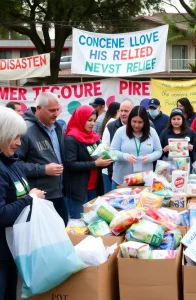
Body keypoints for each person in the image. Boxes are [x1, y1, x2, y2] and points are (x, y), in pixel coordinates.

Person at [0, 106, 45, 300]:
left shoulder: (12, 162)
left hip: (13, 250)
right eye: (14, 137)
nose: (19, 143)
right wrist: (30, 199)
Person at [16, 92, 69, 226]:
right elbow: (16, 165)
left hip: (59, 192)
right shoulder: (25, 130)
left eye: (58, 110)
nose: (56, 114)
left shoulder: (58, 127)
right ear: (38, 108)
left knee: (63, 227)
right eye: (52, 110)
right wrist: (43, 169)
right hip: (39, 196)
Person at [64, 105, 113, 218]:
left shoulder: (94, 138)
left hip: (94, 187)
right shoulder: (71, 139)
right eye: (89, 120)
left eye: (94, 121)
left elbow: (98, 157)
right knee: (79, 224)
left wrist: (107, 158)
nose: (92, 123)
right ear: (80, 118)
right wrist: (95, 164)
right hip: (78, 190)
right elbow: (70, 164)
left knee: (93, 220)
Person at [110, 106, 162, 189]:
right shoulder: (121, 131)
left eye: (140, 122)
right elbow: (112, 151)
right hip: (122, 180)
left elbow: (159, 151)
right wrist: (125, 156)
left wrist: (150, 157)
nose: (136, 125)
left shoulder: (152, 132)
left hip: (144, 179)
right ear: (129, 120)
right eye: (134, 121)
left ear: (145, 122)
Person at [102, 99, 134, 190]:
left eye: (126, 111)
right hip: (114, 174)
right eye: (121, 111)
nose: (123, 113)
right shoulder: (111, 126)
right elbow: (105, 149)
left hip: (136, 174)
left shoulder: (143, 126)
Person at [100, 102, 120, 194]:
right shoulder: (113, 123)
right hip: (109, 167)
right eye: (121, 111)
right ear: (117, 111)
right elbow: (106, 147)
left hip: (107, 166)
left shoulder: (107, 120)